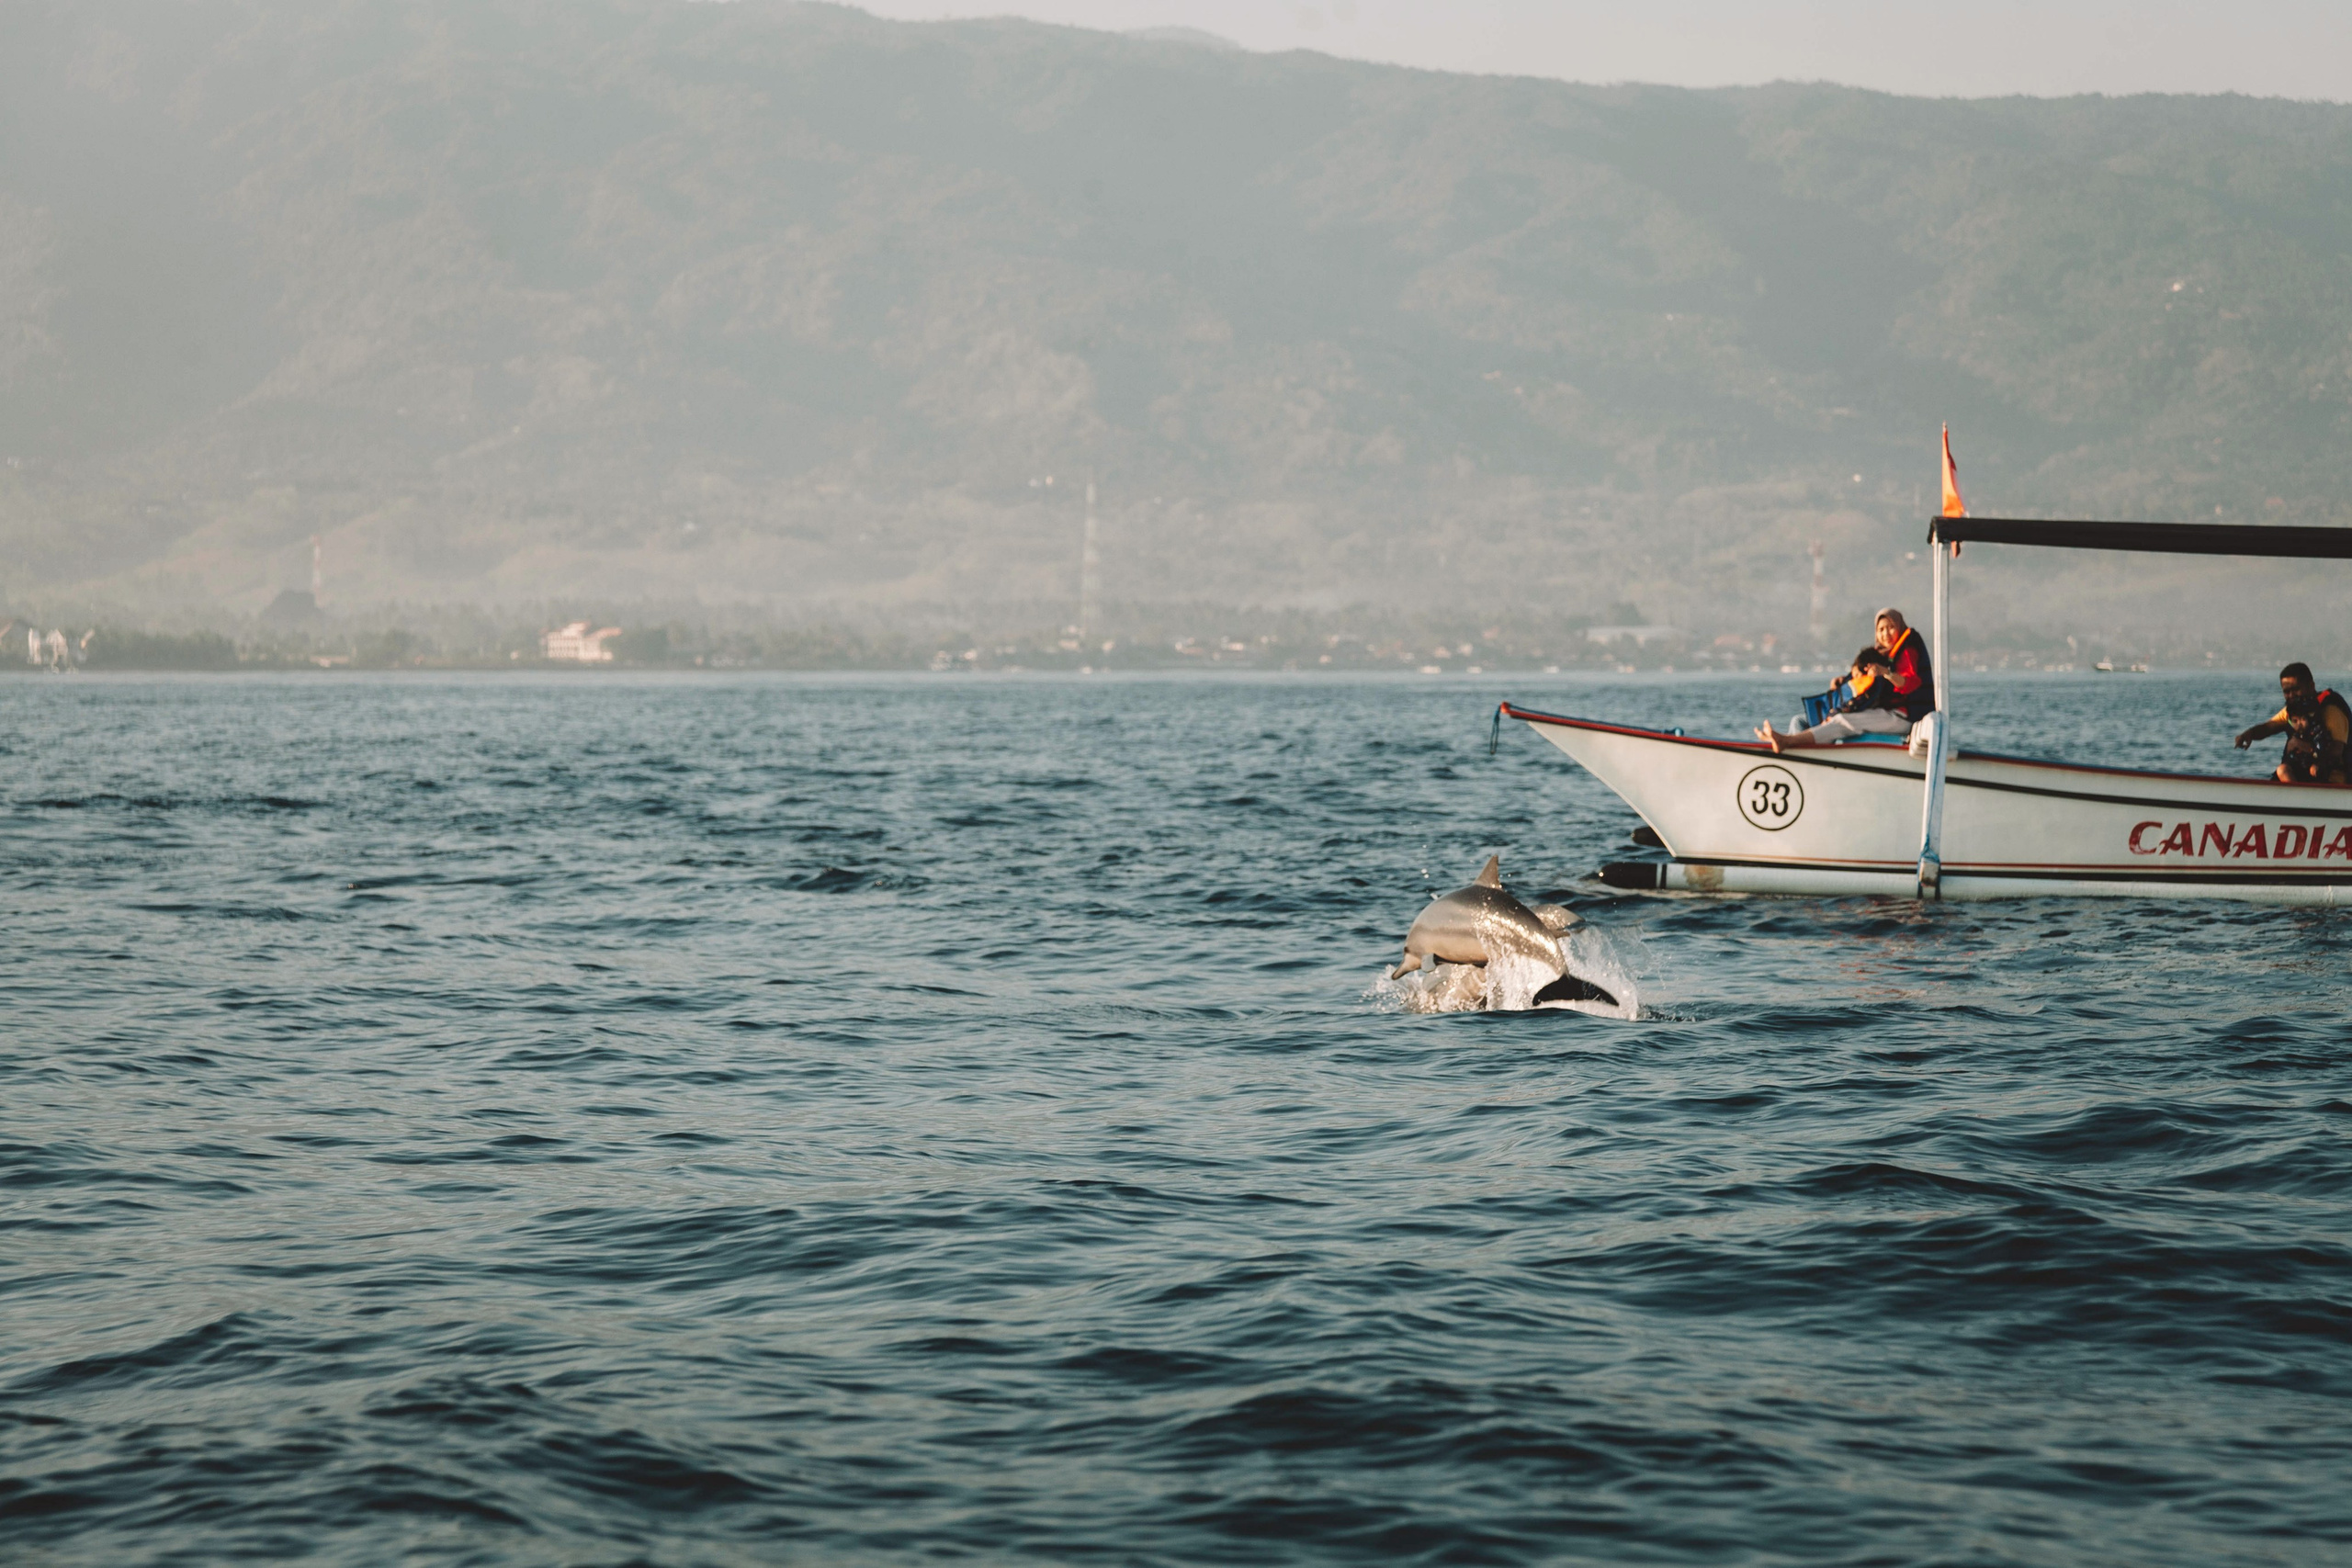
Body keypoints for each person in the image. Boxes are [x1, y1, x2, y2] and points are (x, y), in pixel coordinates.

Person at [1755, 608, 1935, 752]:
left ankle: (1787, 741)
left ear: (1900, 627)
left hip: (1901, 716)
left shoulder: (1907, 651)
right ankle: (1793, 753)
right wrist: (1843, 681)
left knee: (1842, 720)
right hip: (1881, 712)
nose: (1885, 633)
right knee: (1800, 721)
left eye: (1891, 627)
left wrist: (1886, 672)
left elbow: (1910, 683)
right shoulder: (1880, 654)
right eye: (1881, 629)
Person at [2233, 663, 2350, 785]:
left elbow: (2336, 752)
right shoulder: (2292, 711)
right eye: (2287, 692)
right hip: (2300, 777)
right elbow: (2269, 727)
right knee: (2282, 770)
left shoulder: (2331, 711)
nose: (2291, 696)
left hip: (2331, 782)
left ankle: (2298, 799)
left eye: (2296, 690)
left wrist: (2303, 746)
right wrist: (2249, 734)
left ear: (2311, 686)